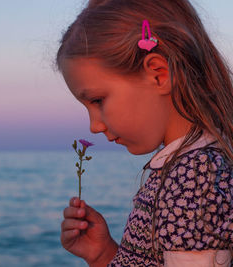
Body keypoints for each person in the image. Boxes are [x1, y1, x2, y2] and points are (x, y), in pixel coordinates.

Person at [57, 0, 233, 266]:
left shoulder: (194, 175)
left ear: (158, 75)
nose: (94, 126)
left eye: (98, 101)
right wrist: (103, 253)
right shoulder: (187, 166)